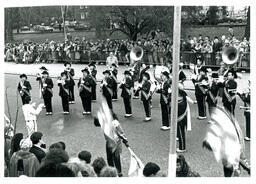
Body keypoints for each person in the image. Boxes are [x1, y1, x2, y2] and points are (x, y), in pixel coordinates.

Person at [94, 112, 129, 177]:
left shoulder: (115, 123)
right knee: (110, 158)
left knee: (116, 158)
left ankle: (119, 172)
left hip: (116, 142)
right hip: (109, 142)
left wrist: (125, 141)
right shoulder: (104, 123)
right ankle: (112, 171)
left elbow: (121, 133)